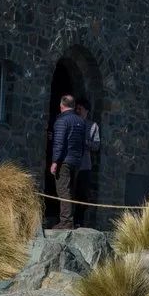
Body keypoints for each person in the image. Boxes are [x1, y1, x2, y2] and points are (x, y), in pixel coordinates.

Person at [50, 94, 85, 229]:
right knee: (71, 190)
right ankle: (69, 219)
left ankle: (66, 221)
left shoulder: (61, 121)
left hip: (64, 160)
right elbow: (81, 144)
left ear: (62, 105)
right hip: (76, 161)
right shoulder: (81, 121)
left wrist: (54, 161)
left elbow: (59, 142)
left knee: (63, 189)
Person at [74, 97, 101, 227]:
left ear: (87, 111)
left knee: (83, 194)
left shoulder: (93, 126)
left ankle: (79, 221)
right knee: (69, 192)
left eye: (80, 109)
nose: (78, 111)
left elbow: (96, 146)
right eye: (77, 108)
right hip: (72, 163)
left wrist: (85, 143)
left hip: (85, 165)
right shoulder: (72, 122)